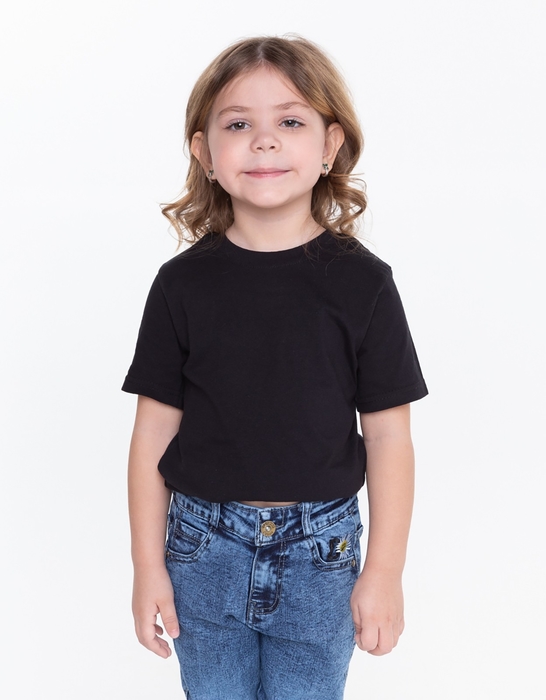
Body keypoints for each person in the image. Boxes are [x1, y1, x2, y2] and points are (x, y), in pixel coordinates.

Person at [122, 35, 428, 700]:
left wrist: (384, 572)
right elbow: (152, 434)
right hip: (202, 549)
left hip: (323, 555)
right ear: (204, 152)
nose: (264, 141)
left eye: (290, 122)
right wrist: (148, 566)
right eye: (238, 125)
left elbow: (388, 436)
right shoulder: (181, 285)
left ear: (330, 146)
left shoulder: (366, 284)